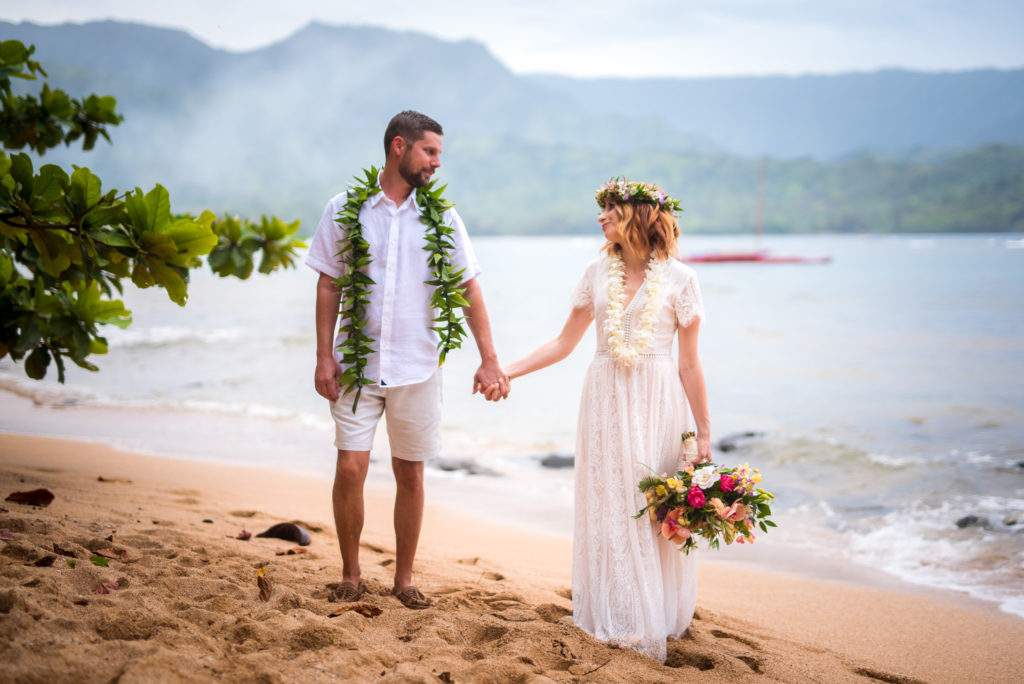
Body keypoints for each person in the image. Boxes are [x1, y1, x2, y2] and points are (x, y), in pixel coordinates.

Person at [487, 178, 710, 661]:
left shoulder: (680, 279)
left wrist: (705, 432)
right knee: (611, 499)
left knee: (651, 504)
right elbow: (563, 344)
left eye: (609, 209)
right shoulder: (595, 272)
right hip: (606, 397)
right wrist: (507, 370)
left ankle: (653, 611)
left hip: (657, 401)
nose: (601, 217)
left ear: (637, 216)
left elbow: (690, 364)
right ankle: (619, 610)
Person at [306, 110, 509, 610]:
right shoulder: (344, 209)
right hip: (356, 364)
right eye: (430, 151)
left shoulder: (443, 218)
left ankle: (403, 580)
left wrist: (489, 359)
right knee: (350, 468)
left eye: (439, 153)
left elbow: (468, 288)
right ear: (399, 147)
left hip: (417, 364)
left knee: (411, 474)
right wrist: (323, 356)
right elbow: (328, 283)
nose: (438, 162)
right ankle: (351, 575)